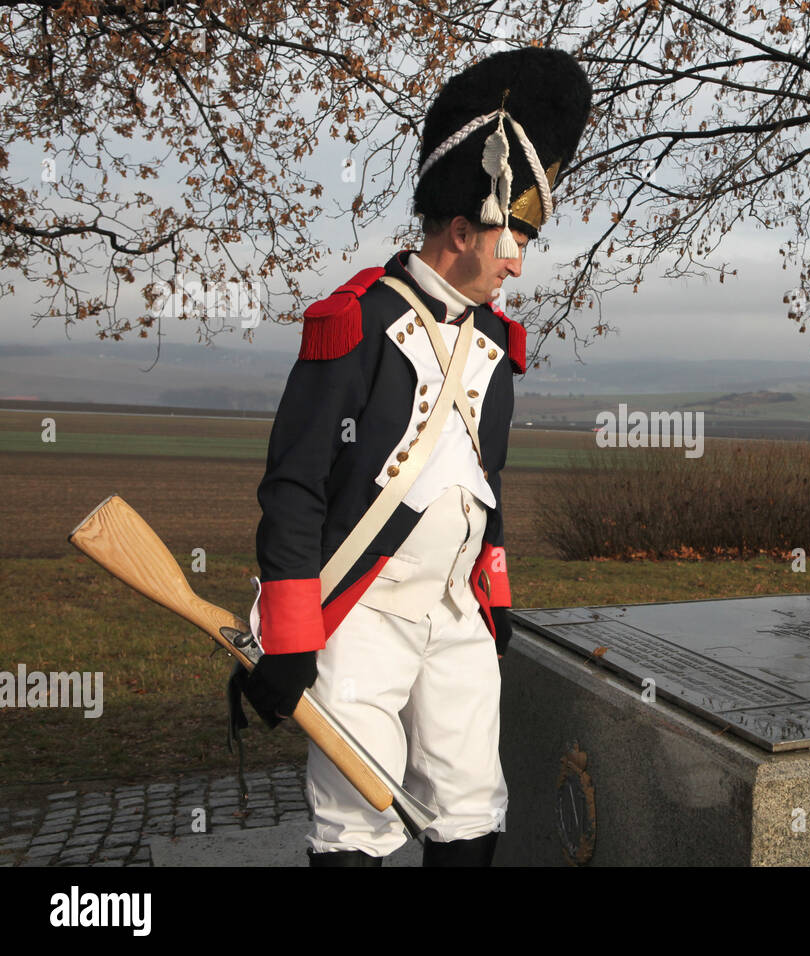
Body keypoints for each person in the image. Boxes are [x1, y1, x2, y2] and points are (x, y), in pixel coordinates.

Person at [233, 49, 591, 867]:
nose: (517, 262)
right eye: (510, 239)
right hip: (361, 612)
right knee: (357, 817)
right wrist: (290, 636)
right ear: (461, 228)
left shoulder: (499, 343)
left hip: (457, 611)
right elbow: (293, 485)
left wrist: (493, 595)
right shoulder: (353, 323)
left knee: (469, 807)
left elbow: (483, 482)